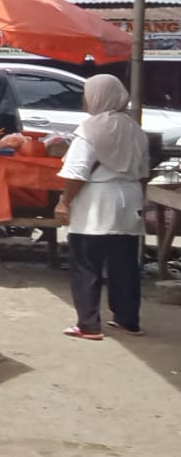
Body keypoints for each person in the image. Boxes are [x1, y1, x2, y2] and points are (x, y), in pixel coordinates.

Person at [57, 75, 149, 340]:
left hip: (96, 200)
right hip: (129, 198)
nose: (84, 100)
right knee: (125, 264)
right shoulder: (135, 129)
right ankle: (128, 320)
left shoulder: (90, 129)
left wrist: (64, 202)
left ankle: (88, 325)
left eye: (87, 94)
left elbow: (76, 172)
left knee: (86, 262)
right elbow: (144, 172)